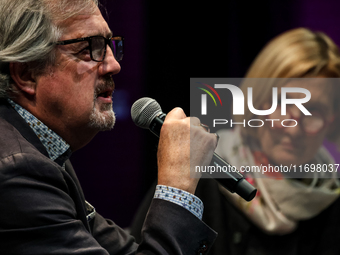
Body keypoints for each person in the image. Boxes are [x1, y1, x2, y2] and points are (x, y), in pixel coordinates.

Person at [0, 0, 219, 254]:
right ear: (26, 73)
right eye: (88, 49)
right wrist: (177, 188)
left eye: (109, 45)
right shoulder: (18, 171)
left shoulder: (45, 152)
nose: (114, 65)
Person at [130, 28, 340, 254]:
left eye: (313, 110)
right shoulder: (199, 174)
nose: (294, 127)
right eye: (283, 103)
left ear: (331, 120)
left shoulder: (332, 199)